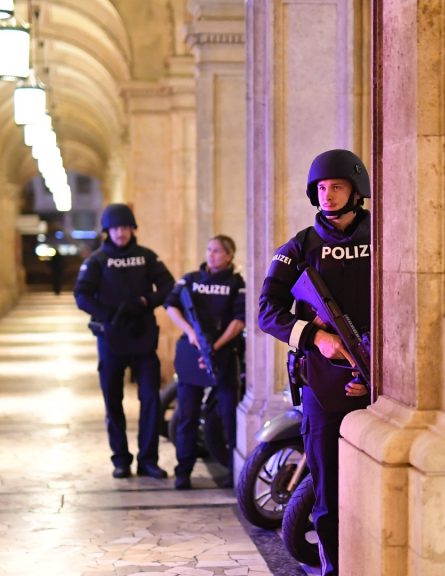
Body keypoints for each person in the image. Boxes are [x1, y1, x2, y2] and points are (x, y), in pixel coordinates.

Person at [258, 149, 372, 576]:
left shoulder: (383, 235)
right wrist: (316, 336)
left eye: (337, 187)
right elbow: (267, 311)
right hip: (323, 385)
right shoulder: (300, 247)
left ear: (355, 191)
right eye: (321, 188)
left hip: (381, 377)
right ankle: (333, 569)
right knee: (328, 491)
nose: (328, 195)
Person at [74, 203, 175, 479]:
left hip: (143, 338)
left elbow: (168, 286)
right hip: (111, 339)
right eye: (116, 228)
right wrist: (108, 315)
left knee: (151, 400)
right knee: (113, 400)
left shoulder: (146, 257)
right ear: (107, 231)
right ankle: (120, 459)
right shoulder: (96, 260)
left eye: (126, 227)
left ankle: (148, 460)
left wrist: (145, 301)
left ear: (132, 229)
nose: (121, 233)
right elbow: (81, 295)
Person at [164, 235, 246, 490]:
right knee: (187, 414)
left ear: (230, 255)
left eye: (218, 251)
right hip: (191, 352)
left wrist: (217, 345)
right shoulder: (191, 280)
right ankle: (183, 471)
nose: (212, 255)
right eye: (209, 249)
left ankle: (235, 472)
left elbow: (239, 320)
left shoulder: (236, 283)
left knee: (229, 415)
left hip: (223, 355)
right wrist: (190, 332)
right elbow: (170, 305)